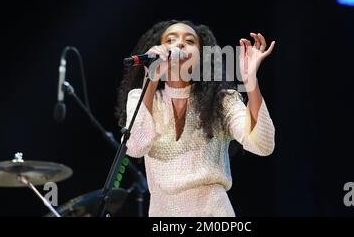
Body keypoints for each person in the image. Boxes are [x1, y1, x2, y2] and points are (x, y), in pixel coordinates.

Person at [116, 19, 276, 216]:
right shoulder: (141, 98)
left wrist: (250, 80)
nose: (180, 44)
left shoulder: (221, 101)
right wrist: (152, 78)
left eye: (190, 41)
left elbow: (262, 144)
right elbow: (136, 147)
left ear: (201, 56)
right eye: (171, 40)